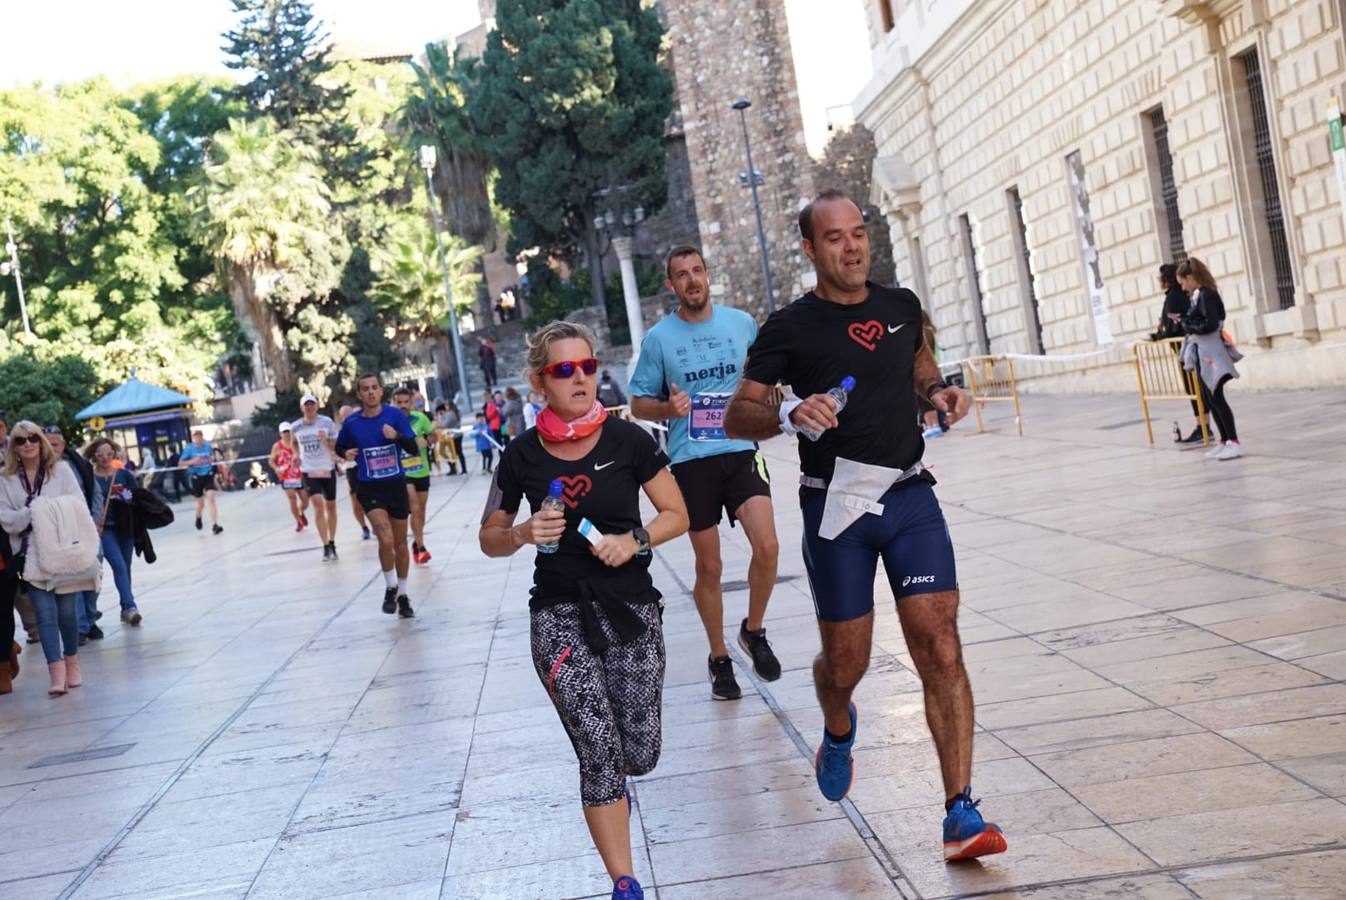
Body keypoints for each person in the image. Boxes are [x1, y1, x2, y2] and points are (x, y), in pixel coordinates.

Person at [723, 190, 1006, 863]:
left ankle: (960, 812)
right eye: (834, 238)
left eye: (859, 234)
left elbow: (919, 369)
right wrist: (789, 413)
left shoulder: (901, 307)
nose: (851, 247)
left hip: (909, 497)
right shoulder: (788, 328)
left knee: (940, 644)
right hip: (836, 507)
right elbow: (738, 417)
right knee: (845, 663)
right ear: (810, 248)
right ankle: (837, 721)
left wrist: (939, 395)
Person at [478, 321, 688, 900]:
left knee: (638, 752)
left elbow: (677, 513)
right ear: (539, 381)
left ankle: (621, 798)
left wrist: (635, 541)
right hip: (557, 612)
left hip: (629, 606)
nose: (580, 378)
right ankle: (625, 883)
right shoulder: (520, 456)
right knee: (599, 748)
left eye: (588, 367)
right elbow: (488, 536)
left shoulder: (630, 441)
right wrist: (521, 532)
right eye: (564, 370)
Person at [628, 245, 782, 700]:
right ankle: (719, 658)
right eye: (681, 274)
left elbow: (765, 373)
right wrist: (667, 407)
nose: (692, 280)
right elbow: (638, 404)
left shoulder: (740, 323)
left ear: (708, 275)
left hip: (740, 449)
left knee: (768, 546)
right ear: (670, 285)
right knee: (709, 565)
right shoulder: (659, 339)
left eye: (697, 271)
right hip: (692, 459)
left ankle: (753, 630)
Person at [0, 422, 99, 696]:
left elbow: (79, 507)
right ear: (14, 447)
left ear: (41, 441)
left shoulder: (61, 471)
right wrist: (33, 512)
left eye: (33, 438)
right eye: (21, 440)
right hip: (29, 556)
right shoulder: (5, 479)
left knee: (67, 614)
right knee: (44, 614)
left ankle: (72, 663)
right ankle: (55, 673)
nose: (28, 444)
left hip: (62, 552)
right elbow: (6, 518)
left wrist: (47, 513)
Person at [334, 374, 421, 618]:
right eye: (365, 389)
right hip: (369, 487)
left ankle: (403, 595)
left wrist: (397, 437)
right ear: (359, 394)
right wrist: (345, 452)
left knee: (401, 542)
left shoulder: (395, 417)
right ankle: (390, 586)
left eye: (374, 388)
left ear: (381, 391)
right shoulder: (352, 423)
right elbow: (340, 446)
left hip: (395, 485)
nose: (371, 392)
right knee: (385, 538)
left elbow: (413, 448)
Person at [1177, 257, 1244, 461]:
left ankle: (1234, 441)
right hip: (1205, 352)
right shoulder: (1201, 295)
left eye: (1183, 282)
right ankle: (1225, 441)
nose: (1183, 287)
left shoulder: (1207, 294)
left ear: (1190, 277)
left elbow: (1210, 324)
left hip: (1212, 354)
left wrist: (1188, 324)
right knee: (1210, 399)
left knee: (1217, 398)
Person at [43, 426, 103, 643]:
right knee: (72, 578)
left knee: (94, 573)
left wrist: (95, 521)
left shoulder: (79, 465)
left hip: (87, 528)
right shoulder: (39, 469)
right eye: (47, 444)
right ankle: (80, 627)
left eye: (55, 444)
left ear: (63, 445)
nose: (51, 448)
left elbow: (94, 492)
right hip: (61, 532)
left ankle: (89, 616)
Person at [85, 438, 142, 627]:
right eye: (100, 454)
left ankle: (125, 607)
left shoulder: (123, 474)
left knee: (125, 567)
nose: (105, 458)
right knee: (118, 565)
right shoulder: (90, 477)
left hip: (125, 526)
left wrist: (123, 495)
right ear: (94, 455)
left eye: (109, 454)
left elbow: (136, 497)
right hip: (105, 528)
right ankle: (131, 606)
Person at [1153, 263, 1208, 444]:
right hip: (1187, 348)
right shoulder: (1177, 295)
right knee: (1196, 389)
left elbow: (1173, 326)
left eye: (1161, 277)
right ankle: (1204, 427)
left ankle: (1203, 428)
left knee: (1194, 389)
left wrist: (1157, 336)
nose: (1158, 281)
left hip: (1185, 350)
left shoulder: (1174, 297)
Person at [292, 394, 341, 560]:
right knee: (318, 506)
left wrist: (325, 440)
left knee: (331, 507)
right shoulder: (296, 426)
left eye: (312, 404)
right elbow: (293, 443)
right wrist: (296, 454)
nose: (309, 407)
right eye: (306, 405)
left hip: (326, 468)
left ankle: (332, 541)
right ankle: (325, 544)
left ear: (317, 406)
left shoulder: (326, 422)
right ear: (302, 408)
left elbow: (335, 445)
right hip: (309, 470)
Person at [392, 387, 435, 564]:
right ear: (394, 402)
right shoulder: (390, 421)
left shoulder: (420, 418)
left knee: (421, 511)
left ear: (411, 402)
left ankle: (417, 542)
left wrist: (428, 441)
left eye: (406, 402)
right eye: (399, 402)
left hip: (422, 470)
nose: (403, 406)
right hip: (403, 472)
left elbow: (433, 435)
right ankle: (422, 546)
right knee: (415, 508)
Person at [337, 405, 372, 541]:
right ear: (341, 418)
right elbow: (336, 450)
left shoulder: (363, 427)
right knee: (356, 501)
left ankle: (375, 522)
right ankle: (364, 527)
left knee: (370, 498)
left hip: (366, 466)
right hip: (351, 469)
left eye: (349, 414)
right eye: (344, 415)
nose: (347, 417)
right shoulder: (340, 433)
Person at [180, 429, 222, 534]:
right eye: (196, 437)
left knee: (211, 497)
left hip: (208, 474)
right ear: (194, 438)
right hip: (196, 476)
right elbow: (180, 463)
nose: (198, 439)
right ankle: (198, 517)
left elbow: (212, 457)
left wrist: (210, 459)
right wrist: (193, 461)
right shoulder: (189, 448)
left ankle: (214, 525)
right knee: (200, 504)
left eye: (200, 436)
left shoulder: (207, 446)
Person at [269, 422, 309, 532]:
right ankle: (298, 521)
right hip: (286, 476)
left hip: (298, 474)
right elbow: (271, 460)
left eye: (288, 431)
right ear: (280, 433)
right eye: (284, 432)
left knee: (305, 501)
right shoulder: (277, 446)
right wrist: (276, 468)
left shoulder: (297, 442)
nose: (286, 434)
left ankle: (301, 513)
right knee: (292, 499)